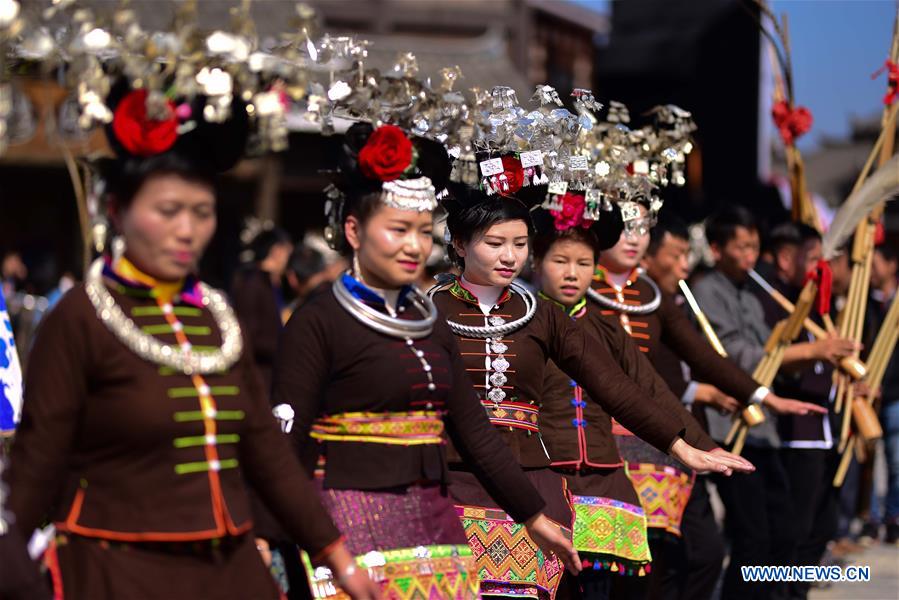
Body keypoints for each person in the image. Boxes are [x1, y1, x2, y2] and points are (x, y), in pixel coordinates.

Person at [0, 84, 376, 599]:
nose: (187, 230)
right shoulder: (81, 317)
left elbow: (266, 452)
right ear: (117, 210)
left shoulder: (217, 316)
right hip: (117, 566)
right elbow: (37, 462)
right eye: (168, 210)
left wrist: (339, 560)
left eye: (202, 213)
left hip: (229, 566)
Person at [271, 124, 579, 600]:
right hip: (346, 517)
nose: (415, 246)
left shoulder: (428, 321)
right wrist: (282, 542)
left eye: (421, 230)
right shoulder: (319, 321)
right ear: (353, 230)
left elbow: (474, 430)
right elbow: (281, 447)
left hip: (432, 520)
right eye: (397, 230)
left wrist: (533, 516)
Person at [431, 170, 754, 599]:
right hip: (450, 480)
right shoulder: (429, 310)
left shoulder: (543, 316)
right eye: (494, 244)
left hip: (530, 484)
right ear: (459, 244)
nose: (509, 256)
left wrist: (681, 447)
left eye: (519, 244)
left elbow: (616, 387)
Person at [592, 203, 822, 600]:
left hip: (658, 440)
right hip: (598, 440)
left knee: (683, 555)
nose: (633, 239)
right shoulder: (581, 294)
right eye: (624, 228)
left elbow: (701, 357)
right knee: (611, 564)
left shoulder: (649, 294)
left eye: (642, 229)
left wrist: (764, 396)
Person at [530, 197, 729, 600]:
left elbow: (650, 388)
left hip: (604, 475)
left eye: (583, 264)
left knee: (612, 589)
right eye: (560, 262)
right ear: (535, 262)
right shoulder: (525, 322)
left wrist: (703, 447)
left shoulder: (604, 328)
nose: (572, 274)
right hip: (550, 475)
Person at [692, 206, 855, 600]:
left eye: (754, 246)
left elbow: (773, 354)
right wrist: (810, 350)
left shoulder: (751, 293)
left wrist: (814, 356)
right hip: (729, 427)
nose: (750, 255)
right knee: (752, 537)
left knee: (785, 531)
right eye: (741, 246)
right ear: (717, 248)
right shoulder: (705, 290)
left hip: (764, 428)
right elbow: (738, 355)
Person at [231, 224, 293, 392]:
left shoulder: (271, 282)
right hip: (257, 373)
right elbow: (249, 332)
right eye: (287, 251)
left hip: (270, 369)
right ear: (277, 250)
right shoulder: (252, 282)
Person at [867, 243, 899, 545]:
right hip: (867, 393)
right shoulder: (864, 303)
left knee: (897, 461)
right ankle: (870, 517)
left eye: (875, 263)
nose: (871, 270)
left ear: (892, 265)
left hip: (895, 395)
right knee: (865, 461)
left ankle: (893, 516)